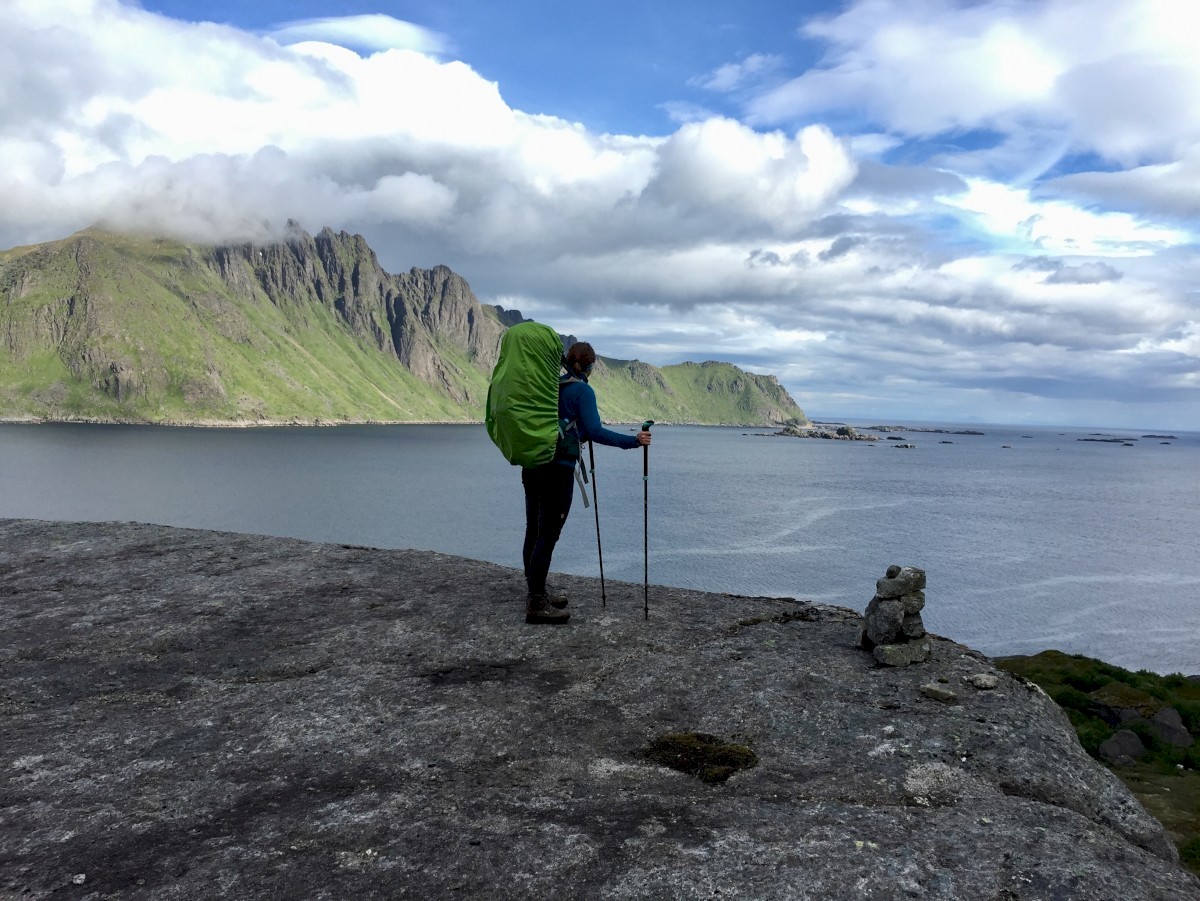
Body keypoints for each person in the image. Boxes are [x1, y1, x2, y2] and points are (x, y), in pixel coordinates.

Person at [522, 341, 652, 624]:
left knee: (534, 527)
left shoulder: (548, 385)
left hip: (532, 465)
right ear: (589, 367)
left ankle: (536, 589)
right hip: (557, 470)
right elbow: (594, 431)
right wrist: (634, 441)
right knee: (549, 532)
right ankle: (535, 602)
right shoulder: (582, 391)